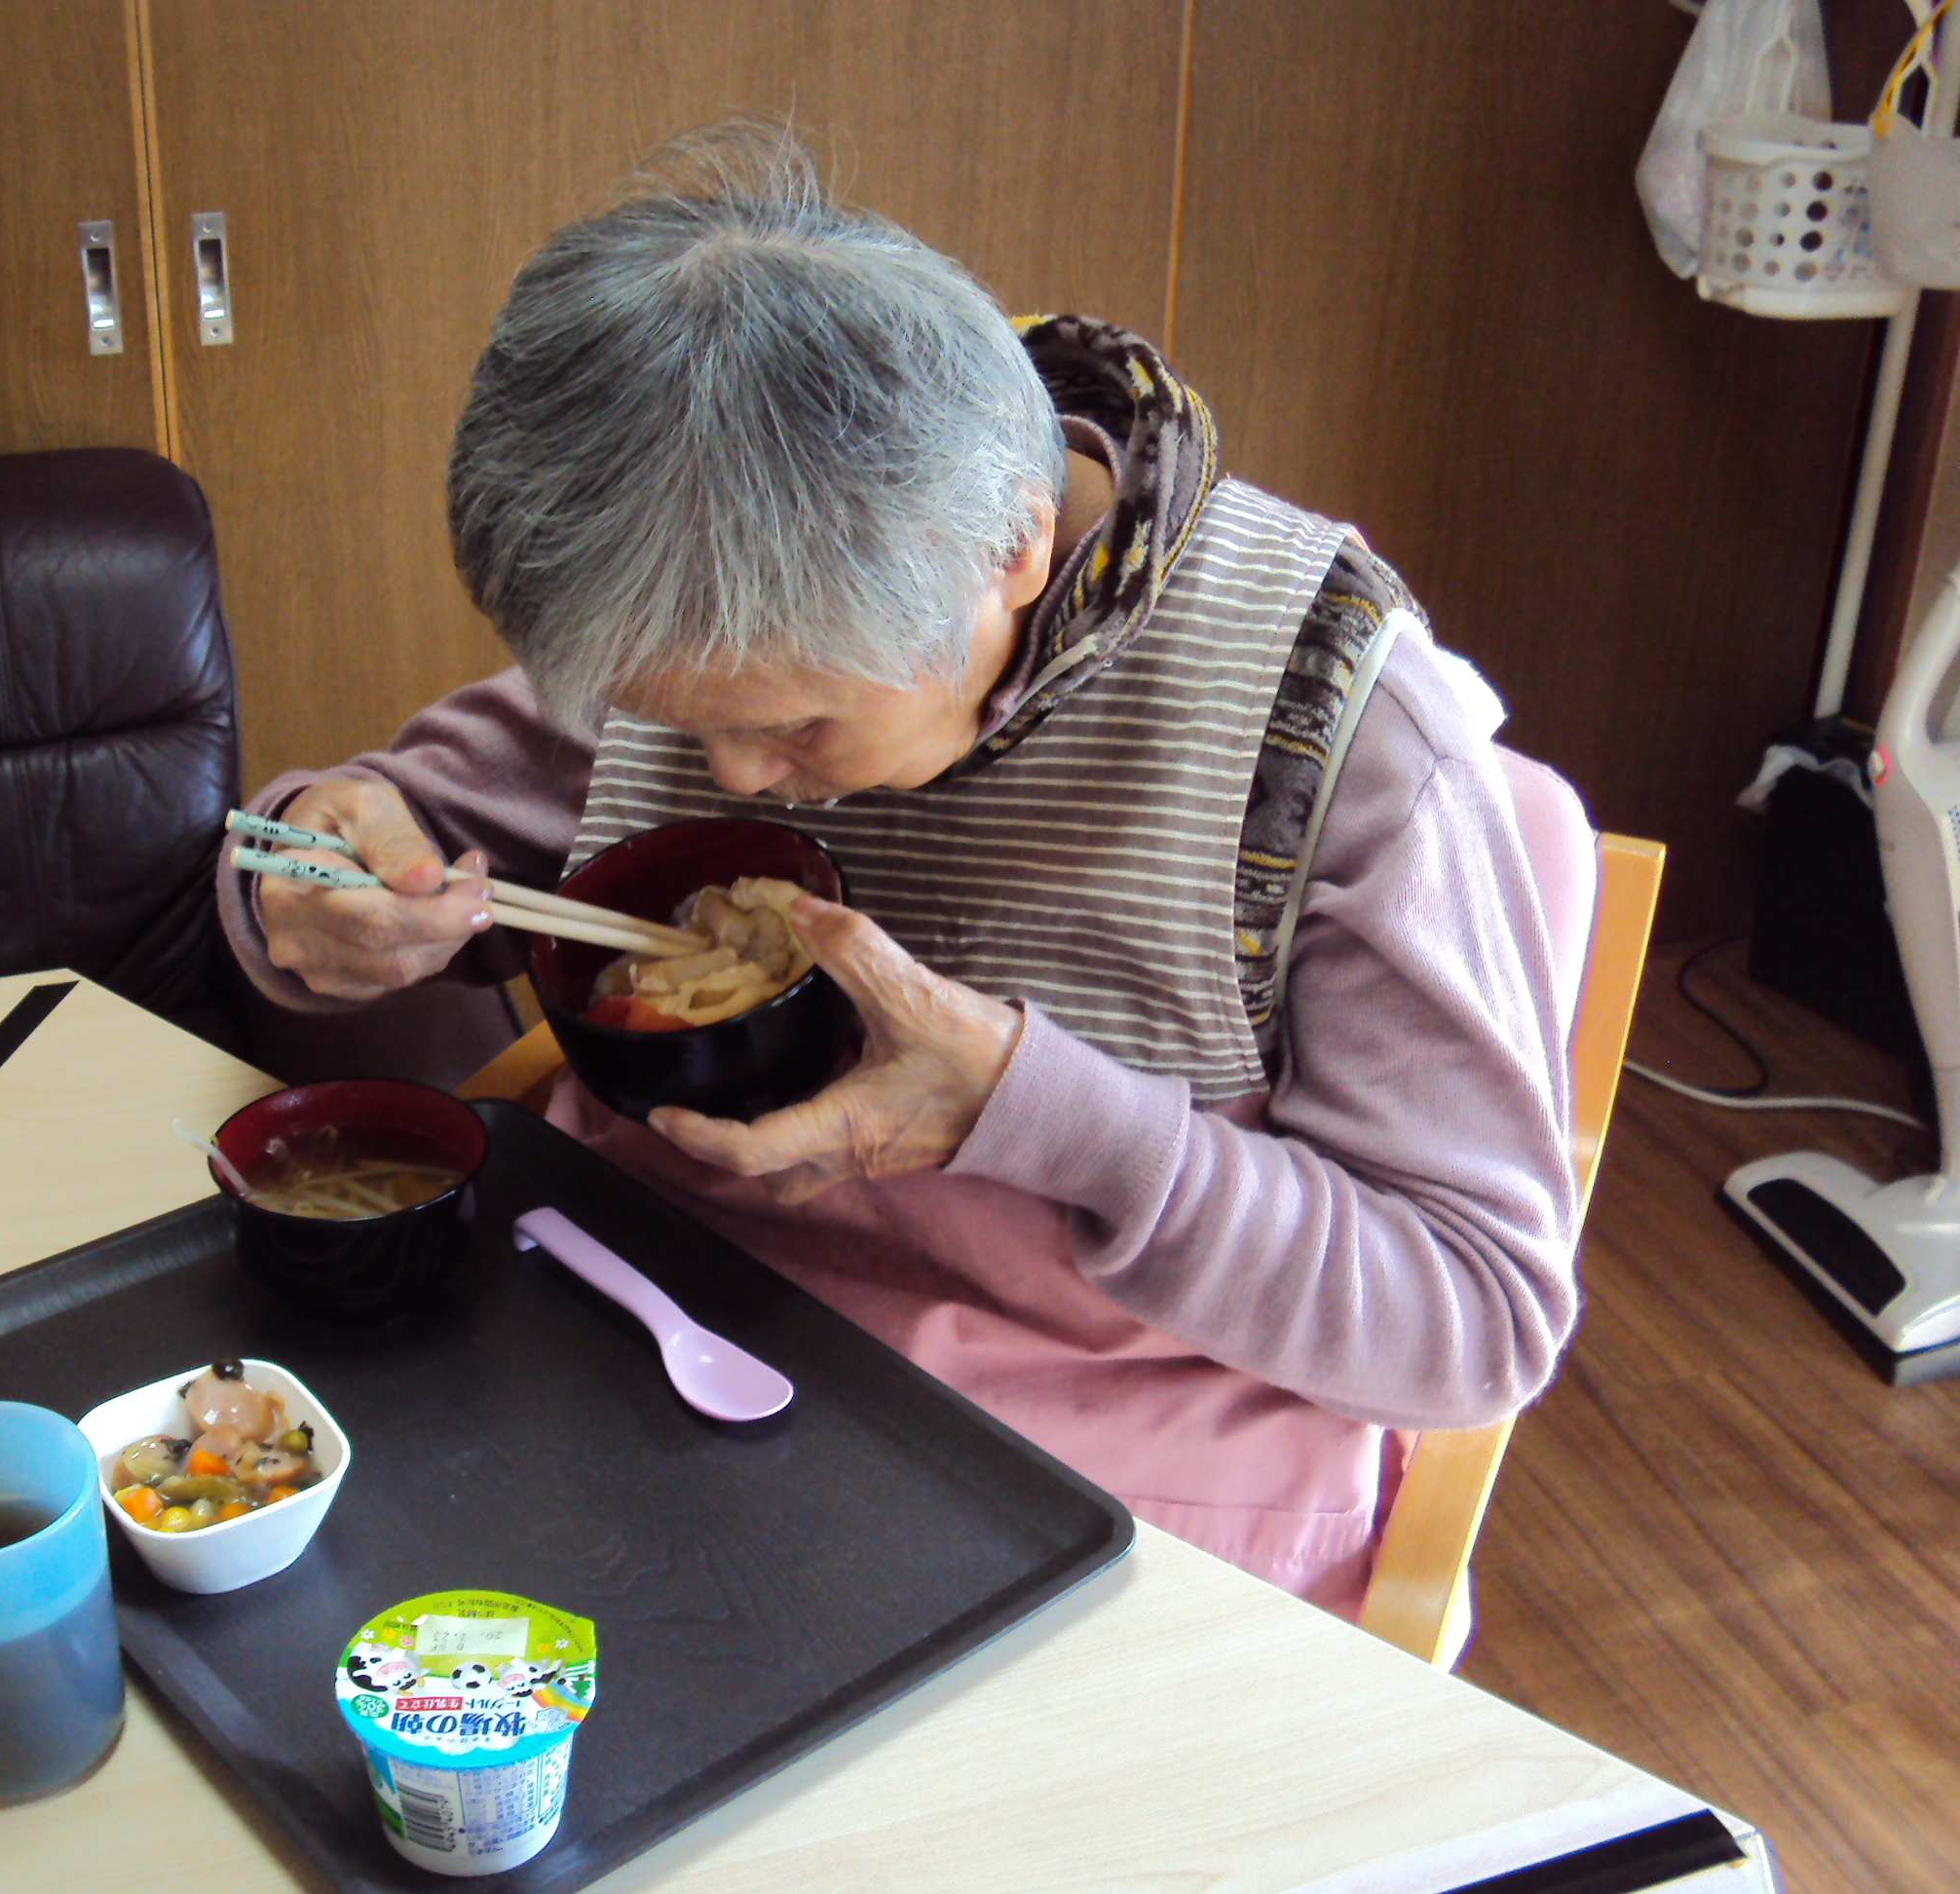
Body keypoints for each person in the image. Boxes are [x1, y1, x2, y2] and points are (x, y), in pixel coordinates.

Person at [220, 128, 1578, 1616]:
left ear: (1013, 549)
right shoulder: (708, 609)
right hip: (633, 1342)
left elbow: (1476, 1319)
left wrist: (1041, 1115)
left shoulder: (1328, 730)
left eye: (797, 724)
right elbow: (373, 827)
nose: (734, 775)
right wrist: (321, 862)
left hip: (1092, 1463)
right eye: (678, 720)